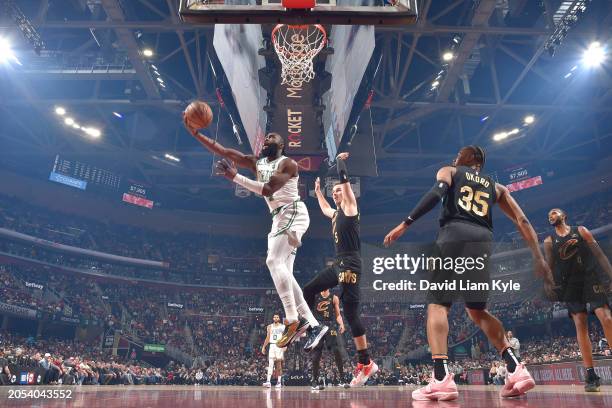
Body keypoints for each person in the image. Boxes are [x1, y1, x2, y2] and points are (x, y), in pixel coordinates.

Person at [384, 145, 550, 401]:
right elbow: (522, 220)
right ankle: (515, 367)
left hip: (454, 233)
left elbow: (436, 192)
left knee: (438, 305)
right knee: (477, 310)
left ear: (474, 159)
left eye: (460, 153)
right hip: (482, 240)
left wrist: (406, 223)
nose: (455, 156)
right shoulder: (497, 187)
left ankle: (440, 378)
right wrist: (538, 257)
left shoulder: (450, 170)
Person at [183, 117, 328, 351]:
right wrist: (197, 134)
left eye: (272, 136)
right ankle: (313, 326)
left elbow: (268, 189)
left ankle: (292, 319)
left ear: (281, 145)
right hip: (279, 218)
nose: (267, 138)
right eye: (266, 136)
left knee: (273, 261)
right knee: (286, 275)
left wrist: (236, 178)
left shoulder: (288, 163)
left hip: (292, 212)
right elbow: (223, 150)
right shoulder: (256, 162)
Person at [304, 152, 378, 387]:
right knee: (309, 288)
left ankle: (366, 362)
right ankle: (314, 328)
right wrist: (317, 192)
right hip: (338, 264)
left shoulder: (350, 208)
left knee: (351, 314)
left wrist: (340, 162)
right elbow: (325, 208)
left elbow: (345, 183)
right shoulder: (336, 214)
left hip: (351, 264)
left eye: (338, 190)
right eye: (333, 191)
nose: (335, 193)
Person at [544, 208, 612, 392]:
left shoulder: (581, 231)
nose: (551, 215)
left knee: (606, 318)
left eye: (554, 212)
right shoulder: (549, 241)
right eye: (549, 215)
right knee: (581, 324)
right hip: (570, 285)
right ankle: (590, 374)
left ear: (564, 215)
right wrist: (548, 285)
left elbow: (599, 255)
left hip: (590, 278)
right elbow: (549, 266)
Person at [309, 289, 347, 390]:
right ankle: (314, 381)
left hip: (330, 326)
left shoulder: (334, 298)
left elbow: (338, 315)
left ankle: (342, 380)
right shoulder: (315, 297)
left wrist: (341, 324)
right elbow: (308, 312)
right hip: (318, 326)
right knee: (316, 354)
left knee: (336, 351)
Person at [261, 314, 286, 388]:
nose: (276, 318)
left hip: (279, 345)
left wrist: (285, 346)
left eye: (277, 317)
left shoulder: (283, 326)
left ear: (279, 318)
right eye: (274, 317)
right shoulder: (269, 326)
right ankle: (268, 381)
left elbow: (285, 337)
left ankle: (279, 382)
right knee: (270, 364)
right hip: (271, 345)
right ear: (273, 318)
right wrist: (264, 347)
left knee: (279, 364)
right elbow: (267, 337)